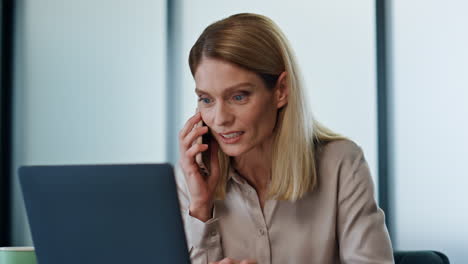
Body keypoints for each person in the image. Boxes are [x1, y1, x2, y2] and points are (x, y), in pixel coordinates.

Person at [176, 13, 394, 264]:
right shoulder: (191, 180)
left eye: (239, 96)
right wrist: (201, 208)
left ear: (281, 90)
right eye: (206, 99)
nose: (220, 118)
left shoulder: (340, 163)